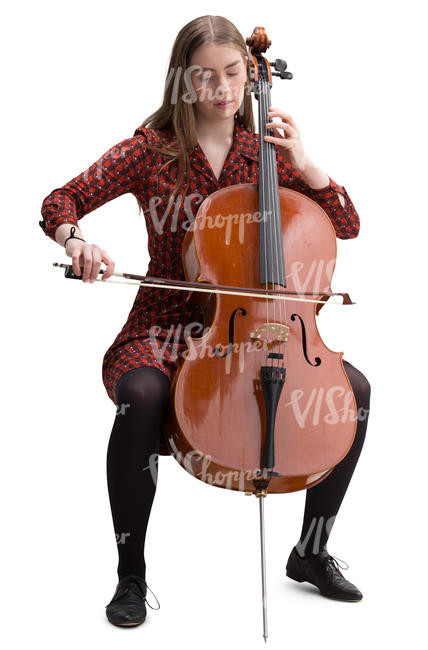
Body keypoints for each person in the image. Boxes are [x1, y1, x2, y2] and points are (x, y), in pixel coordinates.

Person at [39, 15, 371, 628]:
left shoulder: (269, 152)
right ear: (183, 82)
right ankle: (131, 576)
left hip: (263, 329)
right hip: (164, 325)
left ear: (250, 76)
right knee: (141, 395)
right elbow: (59, 202)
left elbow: (346, 224)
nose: (222, 88)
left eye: (233, 73)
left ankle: (312, 551)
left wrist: (308, 163)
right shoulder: (150, 150)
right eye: (205, 76)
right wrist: (75, 240)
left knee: (353, 392)